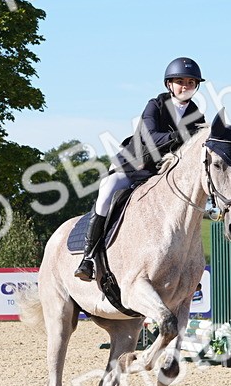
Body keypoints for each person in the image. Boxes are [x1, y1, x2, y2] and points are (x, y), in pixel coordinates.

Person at [75, 57, 207, 281]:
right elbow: (151, 137)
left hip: (162, 173)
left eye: (191, 82)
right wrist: (179, 136)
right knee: (108, 189)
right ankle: (89, 257)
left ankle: (184, 271)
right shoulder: (155, 105)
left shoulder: (197, 115)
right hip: (135, 164)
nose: (185, 86)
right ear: (169, 84)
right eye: (180, 81)